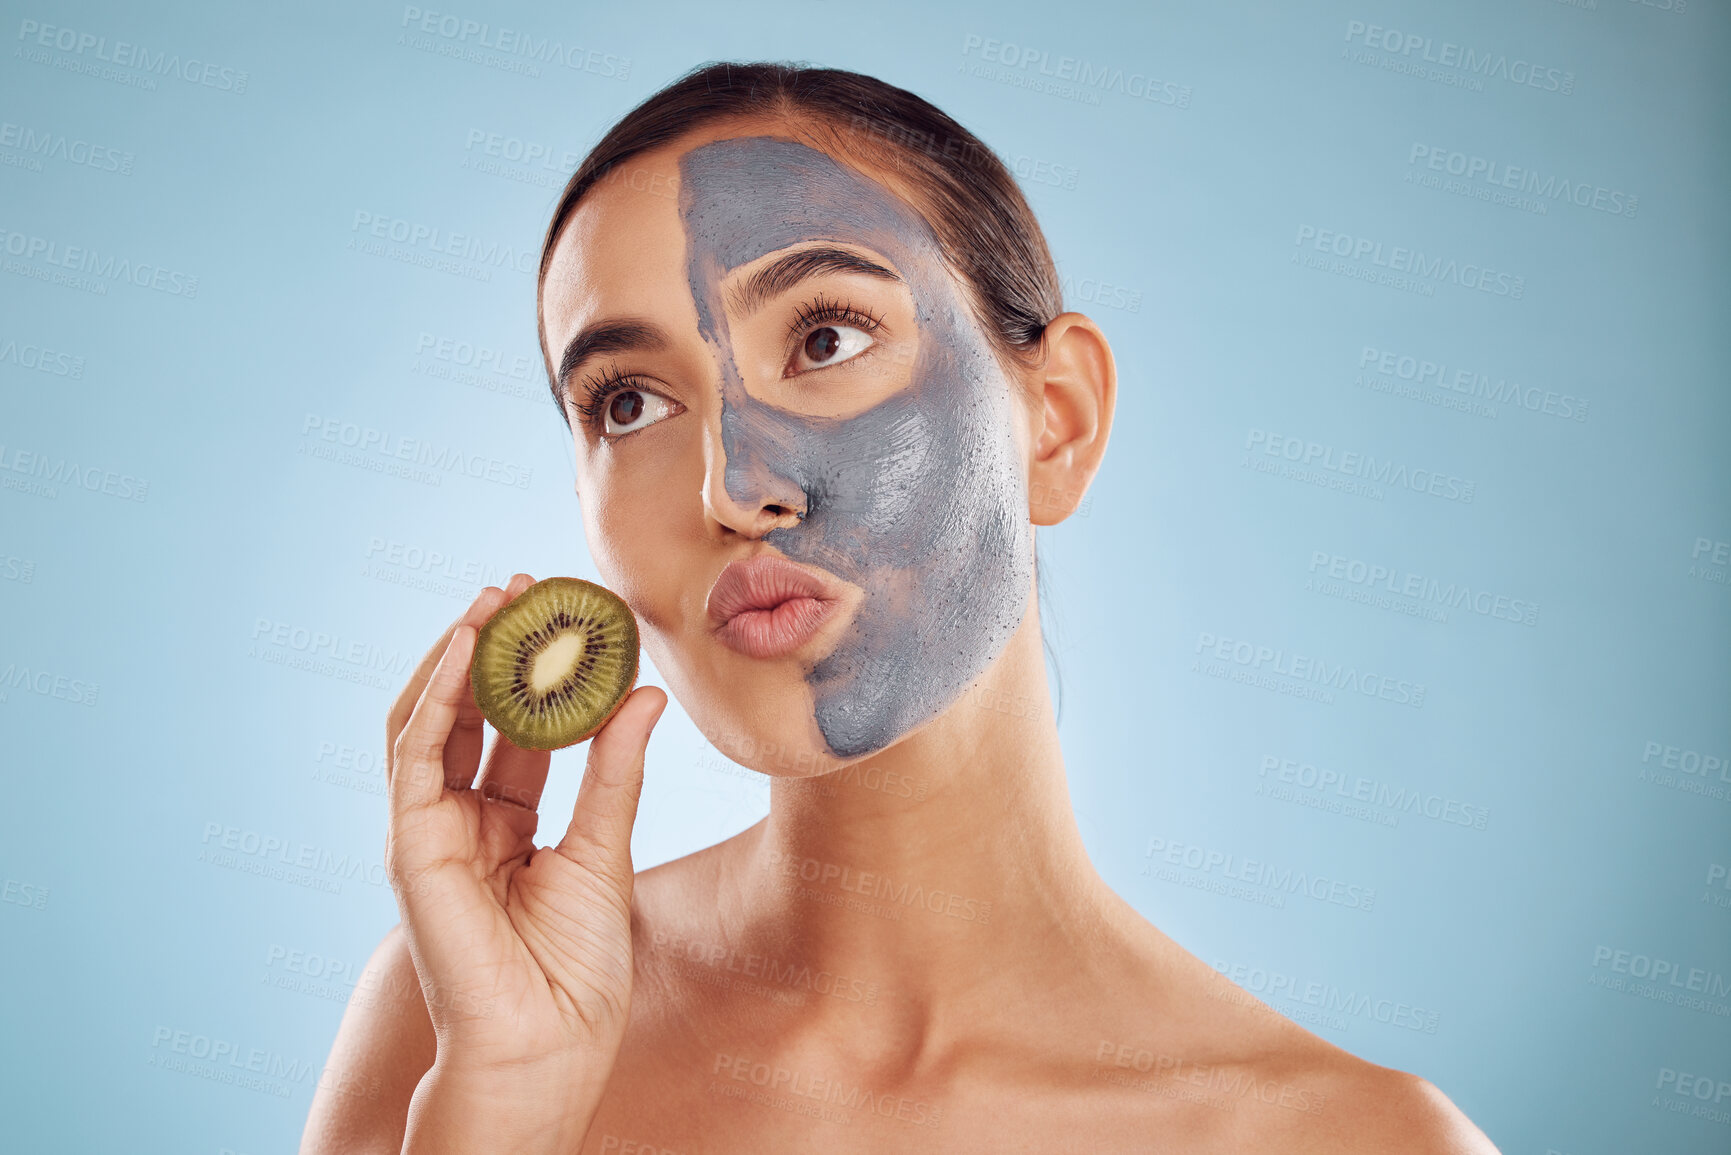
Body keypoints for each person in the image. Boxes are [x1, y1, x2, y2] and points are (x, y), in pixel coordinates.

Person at [302, 63, 1500, 1154]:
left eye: (824, 336)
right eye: (628, 403)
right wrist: (503, 1109)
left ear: (1059, 419)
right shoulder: (457, 1017)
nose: (733, 488)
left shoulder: (1353, 1139)